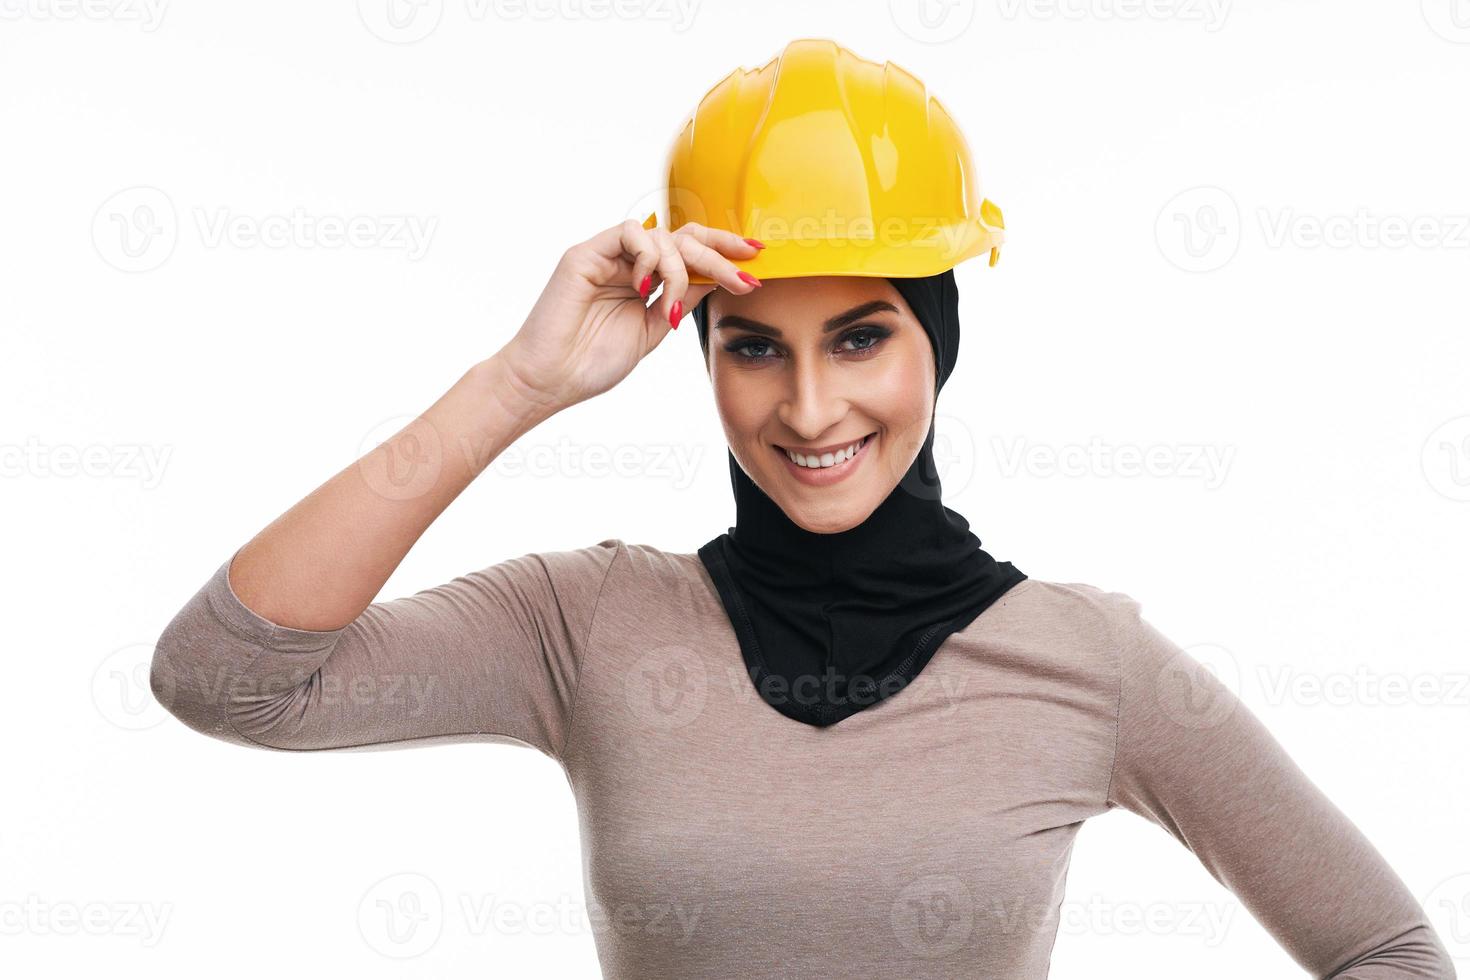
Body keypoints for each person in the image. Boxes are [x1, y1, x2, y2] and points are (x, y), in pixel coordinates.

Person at [149, 39, 1456, 977]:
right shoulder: (590, 621)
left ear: (936, 344)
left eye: (860, 338)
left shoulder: (1088, 660)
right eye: (754, 345)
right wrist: (518, 384)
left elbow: (1384, 952)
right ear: (697, 350)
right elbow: (227, 679)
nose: (812, 409)